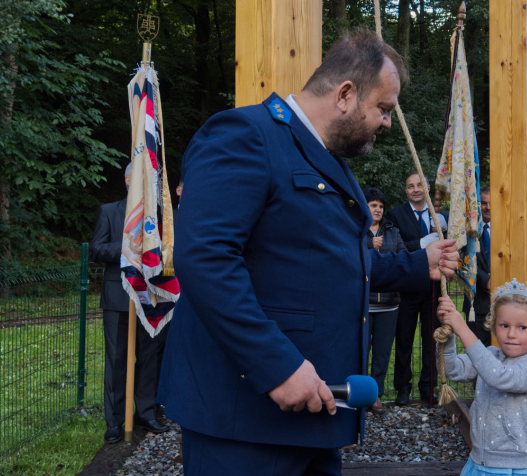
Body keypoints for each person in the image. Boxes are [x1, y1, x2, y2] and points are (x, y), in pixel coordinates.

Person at [157, 29, 460, 476]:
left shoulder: (328, 159)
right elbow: (205, 258)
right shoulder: (246, 134)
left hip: (317, 413)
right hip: (248, 421)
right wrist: (277, 367)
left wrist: (419, 263)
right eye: (383, 109)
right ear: (345, 95)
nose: (387, 122)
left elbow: (329, 261)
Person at [437, 279, 527, 475]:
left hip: (518, 470)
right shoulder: (490, 355)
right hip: (478, 463)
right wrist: (449, 333)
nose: (511, 334)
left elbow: (498, 377)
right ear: (494, 326)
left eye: (522, 327)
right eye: (504, 325)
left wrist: (463, 329)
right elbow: (453, 370)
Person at [89, 163, 169, 444]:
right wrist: (128, 247)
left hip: (150, 297)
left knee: (148, 358)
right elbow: (96, 250)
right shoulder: (109, 212)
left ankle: (145, 413)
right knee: (117, 360)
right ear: (127, 181)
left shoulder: (157, 217)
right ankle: (115, 421)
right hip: (118, 298)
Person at [387, 172, 448, 406]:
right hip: (408, 288)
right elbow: (395, 247)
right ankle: (402, 388)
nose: (415, 189)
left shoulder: (440, 215)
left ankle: (427, 387)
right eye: (410, 186)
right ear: (406, 190)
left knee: (431, 340)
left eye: (419, 185)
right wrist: (422, 244)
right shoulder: (395, 215)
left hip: (433, 288)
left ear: (427, 188)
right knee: (404, 340)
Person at [363, 186, 405, 415]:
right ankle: (360, 394)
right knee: (361, 351)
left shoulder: (392, 232)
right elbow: (348, 253)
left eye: (380, 206)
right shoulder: (356, 231)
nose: (378, 209)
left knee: (382, 353)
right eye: (373, 205)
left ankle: (376, 395)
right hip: (364, 304)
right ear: (365, 206)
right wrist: (369, 246)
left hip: (389, 304)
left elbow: (402, 258)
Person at [463, 187, 492, 346]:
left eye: (491, 203)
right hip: (477, 303)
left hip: (504, 302)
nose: (488, 207)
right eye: (484, 203)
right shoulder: (469, 229)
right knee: (477, 350)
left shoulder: (507, 230)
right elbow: (465, 258)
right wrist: (486, 280)